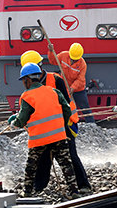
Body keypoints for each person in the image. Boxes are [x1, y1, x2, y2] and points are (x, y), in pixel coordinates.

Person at [20, 50, 91, 192]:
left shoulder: (56, 80)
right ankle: (39, 186)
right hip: (45, 127)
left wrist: (64, 125)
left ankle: (83, 185)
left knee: (70, 155)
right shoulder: (30, 87)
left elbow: (65, 104)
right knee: (43, 157)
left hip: (65, 124)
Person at [8, 63, 79, 199]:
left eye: (23, 80)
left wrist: (13, 123)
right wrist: (61, 125)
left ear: (27, 80)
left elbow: (22, 119)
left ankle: (27, 192)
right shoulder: (54, 92)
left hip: (39, 140)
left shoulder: (27, 96)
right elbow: (67, 110)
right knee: (66, 164)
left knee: (31, 166)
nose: (23, 83)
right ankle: (74, 191)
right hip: (59, 136)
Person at [48, 42, 95, 123]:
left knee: (85, 107)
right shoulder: (63, 55)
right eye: (72, 58)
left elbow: (80, 79)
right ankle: (65, 124)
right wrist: (51, 51)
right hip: (65, 87)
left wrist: (72, 88)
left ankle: (91, 124)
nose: (73, 60)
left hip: (78, 89)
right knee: (64, 107)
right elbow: (53, 61)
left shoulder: (82, 64)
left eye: (75, 59)